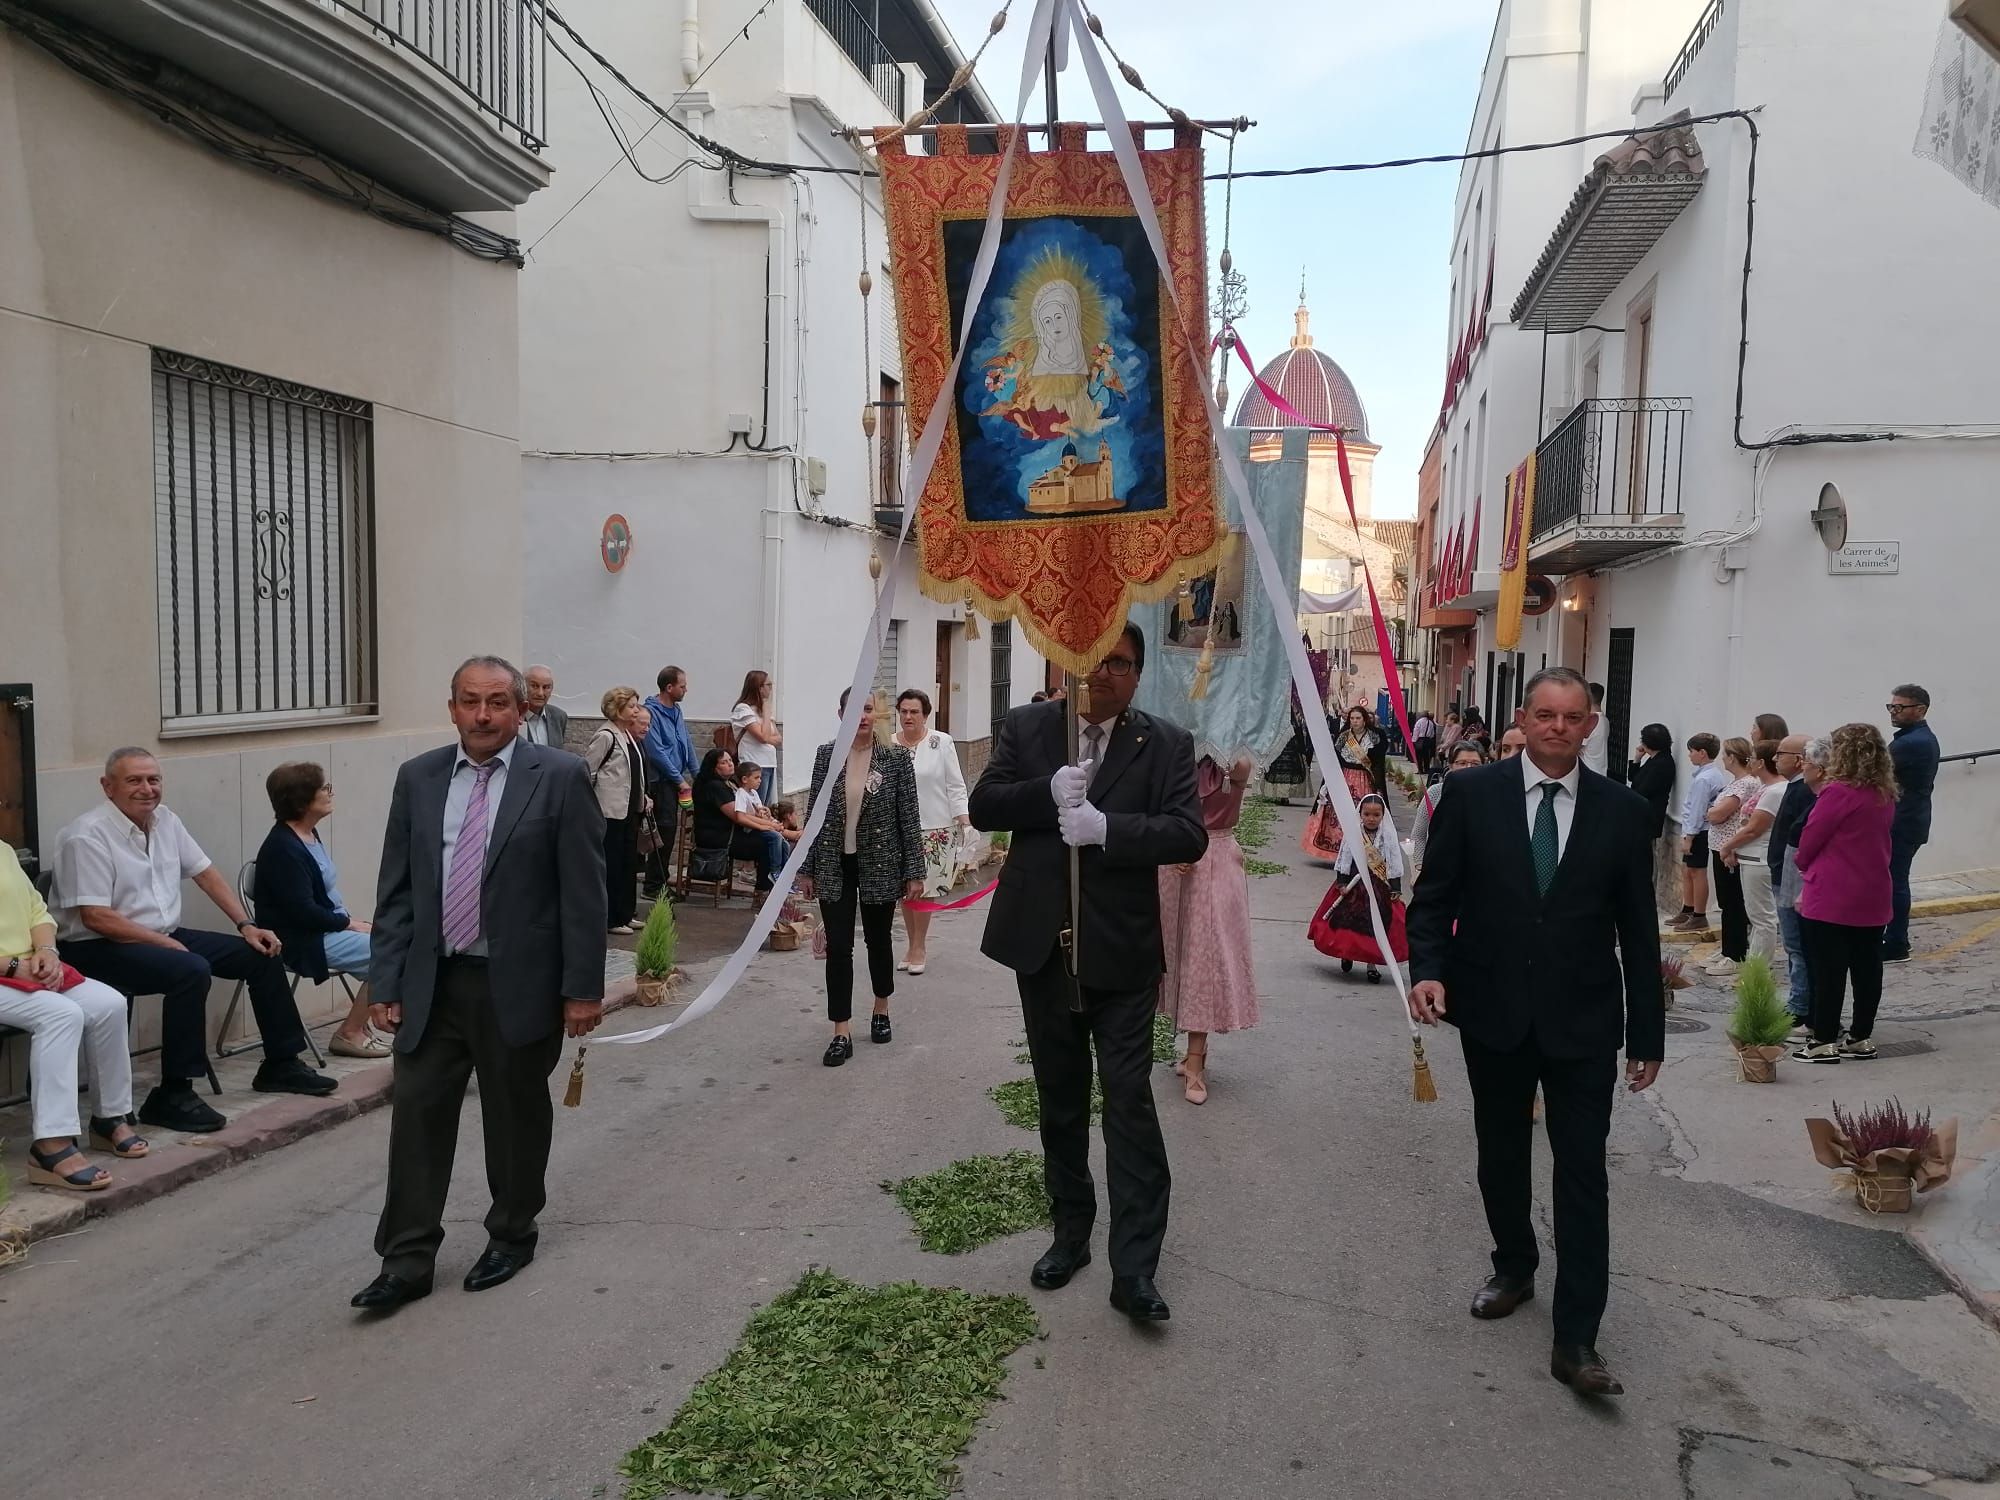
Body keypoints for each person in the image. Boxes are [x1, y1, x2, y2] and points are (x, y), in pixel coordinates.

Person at [1406, 667, 1662, 1399]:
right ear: (1525, 716)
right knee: (1503, 1152)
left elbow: (1639, 933)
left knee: (1583, 1172)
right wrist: (1428, 968)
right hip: (1493, 1013)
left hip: (1583, 1021)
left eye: (1571, 716)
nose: (1556, 727)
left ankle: (1577, 1337)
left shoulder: (1622, 811)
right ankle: (1515, 1263)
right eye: (1544, 714)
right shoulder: (1472, 793)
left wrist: (1647, 1034)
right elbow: (1435, 897)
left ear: (1590, 726)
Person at [351, 656, 606, 1315]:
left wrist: (582, 989)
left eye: (497, 703)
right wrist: (386, 977)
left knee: (515, 1117)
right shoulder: (420, 778)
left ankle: (512, 1233)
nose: (484, 715)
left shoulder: (560, 778)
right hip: (434, 982)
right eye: (471, 702)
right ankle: (405, 1260)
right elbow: (398, 889)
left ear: (521, 711)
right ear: (453, 708)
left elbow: (583, 892)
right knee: (416, 1118)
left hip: (517, 985)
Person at [971, 623, 1205, 1323]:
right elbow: (986, 804)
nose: (1104, 674)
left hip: (1123, 953)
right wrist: (1047, 790)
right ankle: (1070, 1234)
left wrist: (1109, 831)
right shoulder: (1028, 726)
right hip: (1044, 946)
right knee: (1061, 1098)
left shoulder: (1164, 743)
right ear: (1069, 664)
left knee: (1128, 1099)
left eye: (1121, 664)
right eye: (1093, 659)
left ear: (1138, 675)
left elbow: (1187, 832)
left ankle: (1134, 1269)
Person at [54, 748, 335, 1135]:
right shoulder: (86, 836)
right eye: (134, 780)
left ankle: (281, 1064)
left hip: (159, 935)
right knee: (190, 970)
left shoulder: (166, 820)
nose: (147, 789)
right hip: (97, 946)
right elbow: (95, 916)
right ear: (108, 787)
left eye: (153, 779)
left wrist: (246, 925)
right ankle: (174, 1093)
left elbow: (205, 873)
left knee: (262, 953)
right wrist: (159, 942)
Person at [1, 839, 146, 1190]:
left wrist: (48, 952)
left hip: (27, 967)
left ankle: (109, 1118)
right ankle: (50, 1146)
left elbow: (38, 910)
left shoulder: (3, 850)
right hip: (10, 970)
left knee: (109, 1003)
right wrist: (13, 965)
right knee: (60, 1015)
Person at [800, 690, 923, 1065]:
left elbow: (909, 817)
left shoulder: (897, 758)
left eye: (868, 710)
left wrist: (914, 870)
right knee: (838, 947)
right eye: (854, 711)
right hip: (835, 863)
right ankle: (841, 1031)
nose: (862, 718)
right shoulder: (827, 756)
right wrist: (807, 867)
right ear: (841, 715)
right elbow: (814, 815)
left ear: (877, 715)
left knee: (878, 940)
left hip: (880, 862)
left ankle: (881, 1009)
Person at [253, 762, 387, 1060]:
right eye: (323, 788)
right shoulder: (283, 849)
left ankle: (362, 1028)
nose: (329, 793)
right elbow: (303, 913)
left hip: (326, 928)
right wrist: (349, 924)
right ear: (302, 800)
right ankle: (350, 1033)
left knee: (398, 944)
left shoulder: (308, 835)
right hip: (302, 939)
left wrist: (351, 923)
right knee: (391, 953)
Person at [1791, 725, 1897, 1065]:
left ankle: (1822, 1040)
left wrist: (1803, 864)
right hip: (1874, 889)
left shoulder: (1838, 793)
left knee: (1828, 969)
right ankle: (1860, 1036)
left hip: (1833, 892)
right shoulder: (1884, 793)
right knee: (1867, 967)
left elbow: (1811, 838)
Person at [1157, 756, 1257, 1106]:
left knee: (1205, 961)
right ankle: (1189, 1057)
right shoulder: (1175, 754)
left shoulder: (1235, 762)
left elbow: (1241, 770)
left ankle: (1196, 1059)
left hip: (1216, 860)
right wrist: (1172, 841)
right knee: (1171, 955)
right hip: (1174, 862)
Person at [890, 688, 972, 975]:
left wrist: (965, 821)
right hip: (899, 830)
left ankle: (918, 947)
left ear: (926, 715)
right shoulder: (888, 745)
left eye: (914, 712)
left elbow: (955, 784)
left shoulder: (941, 742)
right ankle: (911, 943)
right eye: (903, 711)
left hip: (935, 827)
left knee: (924, 890)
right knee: (905, 890)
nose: (908, 717)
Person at [1308, 793, 1408, 982]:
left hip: (1378, 884)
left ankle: (1372, 964)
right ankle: (1347, 953)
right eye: (1367, 814)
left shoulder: (1387, 835)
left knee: (1375, 924)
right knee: (1349, 920)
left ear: (1382, 816)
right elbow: (1344, 857)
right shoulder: (1354, 833)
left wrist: (1395, 887)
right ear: (1360, 814)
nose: (1371, 819)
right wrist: (1342, 882)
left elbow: (1394, 860)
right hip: (1354, 882)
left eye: (1376, 815)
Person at [583, 687, 652, 934]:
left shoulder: (627, 735)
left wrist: (642, 795)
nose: (636, 710)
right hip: (610, 811)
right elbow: (588, 771)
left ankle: (625, 913)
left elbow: (633, 771)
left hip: (630, 809)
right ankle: (611, 918)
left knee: (628, 864)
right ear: (618, 708)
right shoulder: (606, 735)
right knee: (612, 865)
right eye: (631, 706)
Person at [1716, 741, 1787, 969]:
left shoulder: (1775, 791)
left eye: (1753, 757)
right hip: (1750, 856)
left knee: (1762, 917)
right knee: (1757, 915)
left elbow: (1754, 828)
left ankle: (1758, 970)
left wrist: (1728, 846)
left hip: (1759, 857)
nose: (1750, 761)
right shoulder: (1765, 787)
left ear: (1761, 762)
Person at [1884, 685, 1939, 963]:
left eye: (1899, 707)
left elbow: (1877, 771)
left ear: (1920, 710)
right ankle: (1893, 937)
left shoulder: (1910, 743)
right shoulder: (1915, 738)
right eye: (1891, 707)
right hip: (1908, 819)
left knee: (1895, 881)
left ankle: (1896, 943)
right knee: (1894, 880)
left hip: (1903, 822)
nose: (1893, 712)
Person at [1700, 739, 1764, 978]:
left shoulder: (1745, 784)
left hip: (1730, 849)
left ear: (1733, 757)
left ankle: (1735, 953)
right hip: (1720, 847)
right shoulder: (1736, 783)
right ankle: (1727, 948)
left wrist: (1709, 812)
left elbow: (1719, 813)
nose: (1723, 759)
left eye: (1725, 755)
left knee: (1732, 903)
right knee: (1726, 902)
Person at [688, 749, 788, 894]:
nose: (730, 764)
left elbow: (746, 811)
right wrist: (768, 825)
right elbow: (738, 816)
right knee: (768, 843)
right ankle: (763, 892)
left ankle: (780, 884)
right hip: (719, 838)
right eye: (724, 762)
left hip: (732, 834)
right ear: (713, 767)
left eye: (730, 761)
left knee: (778, 841)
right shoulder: (714, 786)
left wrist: (762, 815)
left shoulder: (728, 783)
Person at [1769, 733, 1819, 1025]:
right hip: (1782, 874)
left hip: (1792, 880)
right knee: (1792, 945)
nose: (1775, 759)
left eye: (1780, 754)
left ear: (1799, 760)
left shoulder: (1804, 792)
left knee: (1796, 945)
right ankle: (1798, 1000)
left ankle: (1801, 1005)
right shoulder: (1795, 787)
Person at [1301, 706, 1384, 863]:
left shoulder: (1374, 737)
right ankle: (1338, 851)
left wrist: (1378, 785)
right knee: (1338, 814)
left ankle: (1361, 851)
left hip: (1364, 779)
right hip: (1344, 777)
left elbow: (1378, 763)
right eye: (1352, 718)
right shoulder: (1343, 737)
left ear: (1365, 720)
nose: (1355, 721)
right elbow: (1335, 761)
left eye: (1358, 718)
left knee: (1362, 814)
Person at [641, 666, 697, 897]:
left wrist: (697, 773)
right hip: (660, 781)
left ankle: (661, 881)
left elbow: (686, 742)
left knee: (670, 832)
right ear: (669, 687)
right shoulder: (651, 712)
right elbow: (656, 751)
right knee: (662, 833)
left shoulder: (676, 711)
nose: (686, 689)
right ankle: (653, 885)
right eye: (682, 686)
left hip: (674, 782)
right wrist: (679, 780)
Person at [1627, 724, 1681, 920]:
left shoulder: (1663, 763)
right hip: (1642, 816)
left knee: (1646, 857)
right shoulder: (1654, 759)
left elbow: (1640, 789)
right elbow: (1633, 777)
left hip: (1650, 817)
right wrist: (1637, 759)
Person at [1674, 734, 1726, 932]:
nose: (1689, 755)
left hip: (1699, 831)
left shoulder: (1704, 779)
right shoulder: (1706, 774)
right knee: (1688, 871)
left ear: (1702, 753)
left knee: (1697, 872)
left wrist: (1689, 836)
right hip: (1695, 830)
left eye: (1691, 751)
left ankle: (1699, 914)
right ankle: (1688, 909)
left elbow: (1697, 809)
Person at [1412, 741, 1487, 873]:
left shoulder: (1490, 796)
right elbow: (1419, 835)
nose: (1468, 768)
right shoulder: (1435, 793)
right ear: (1451, 766)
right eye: (1462, 763)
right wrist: (1419, 867)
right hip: (1437, 871)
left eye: (1475, 764)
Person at [729, 670, 783, 800]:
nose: (770, 689)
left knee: (766, 805)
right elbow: (764, 737)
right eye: (768, 685)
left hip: (769, 762)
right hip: (754, 763)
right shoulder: (743, 709)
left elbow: (778, 739)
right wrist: (766, 714)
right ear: (759, 687)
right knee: (757, 805)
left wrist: (767, 736)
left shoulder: (762, 709)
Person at [518, 665, 570, 749]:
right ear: (523, 687)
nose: (540, 693)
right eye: (534, 686)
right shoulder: (514, 715)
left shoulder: (559, 717)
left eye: (546, 687)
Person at [1581, 682, 1608, 775]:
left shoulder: (1591, 720)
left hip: (1589, 770)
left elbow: (1574, 746)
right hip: (1599, 769)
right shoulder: (1604, 719)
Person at [1412, 710, 1439, 777]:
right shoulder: (1430, 723)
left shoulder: (1419, 722)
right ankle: (1426, 769)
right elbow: (1432, 734)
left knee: (1419, 756)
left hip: (1420, 739)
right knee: (1426, 755)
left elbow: (1416, 731)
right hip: (1427, 740)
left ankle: (1420, 769)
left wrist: (1414, 740)